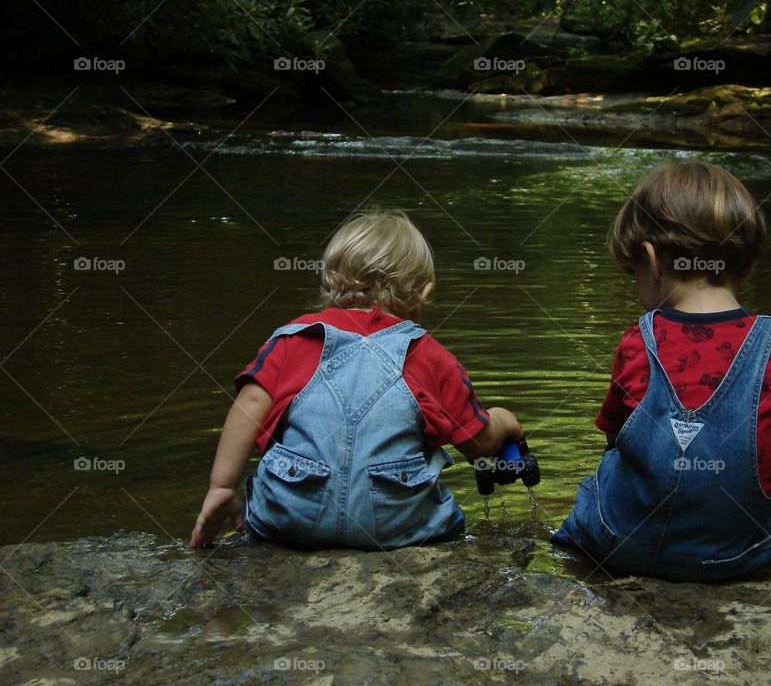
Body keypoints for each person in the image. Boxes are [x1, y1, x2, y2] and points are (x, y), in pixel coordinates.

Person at [552, 159, 771, 581]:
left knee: (601, 477)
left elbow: (616, 438)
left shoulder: (637, 341)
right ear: (748, 264)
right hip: (734, 556)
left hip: (622, 547)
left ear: (650, 259)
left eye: (633, 272)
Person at [190, 211, 523, 550]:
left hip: (290, 518)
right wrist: (505, 421)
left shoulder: (293, 339)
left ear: (328, 282)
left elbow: (249, 404)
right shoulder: (430, 356)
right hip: (396, 525)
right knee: (449, 517)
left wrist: (221, 486)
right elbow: (478, 442)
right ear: (423, 293)